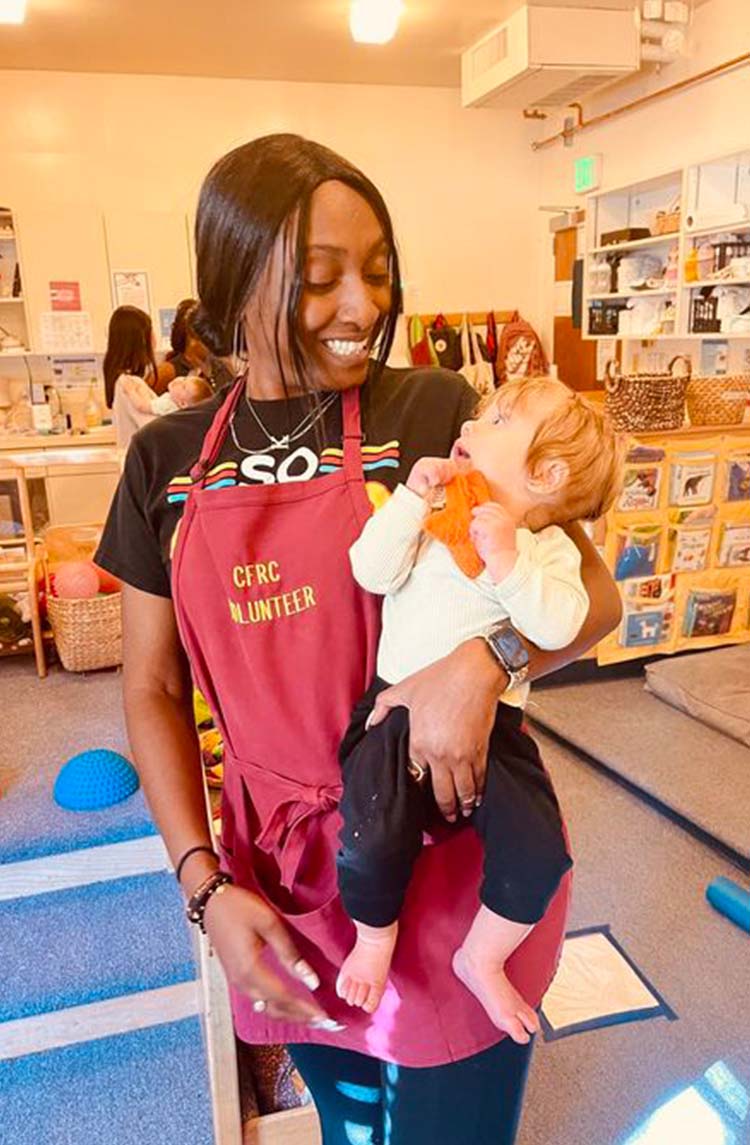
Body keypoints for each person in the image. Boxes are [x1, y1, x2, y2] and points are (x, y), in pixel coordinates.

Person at [95, 134, 622, 1145]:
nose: (362, 308)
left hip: (450, 855)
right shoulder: (165, 458)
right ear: (230, 284)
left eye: (376, 272)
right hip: (286, 877)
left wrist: (488, 660)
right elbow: (152, 687)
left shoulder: (433, 409)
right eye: (319, 279)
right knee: (348, 1123)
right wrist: (202, 884)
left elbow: (590, 597)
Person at [336, 377, 624, 1043]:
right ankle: (373, 935)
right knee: (370, 836)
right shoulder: (437, 513)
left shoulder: (545, 547)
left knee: (541, 853)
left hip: (500, 729)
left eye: (495, 420)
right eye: (480, 413)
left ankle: (483, 955)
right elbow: (369, 570)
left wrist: (508, 561)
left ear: (545, 475)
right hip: (392, 714)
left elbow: (561, 624)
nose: (471, 423)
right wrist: (411, 498)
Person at [103, 305, 159, 449]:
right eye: (151, 333)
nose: (154, 339)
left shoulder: (121, 380)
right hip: (141, 465)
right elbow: (154, 429)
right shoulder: (130, 383)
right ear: (141, 340)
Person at [119, 371, 213, 416]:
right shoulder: (172, 402)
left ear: (182, 404)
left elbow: (141, 406)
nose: (179, 380)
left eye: (183, 386)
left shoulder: (169, 405)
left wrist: (130, 390)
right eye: (184, 378)